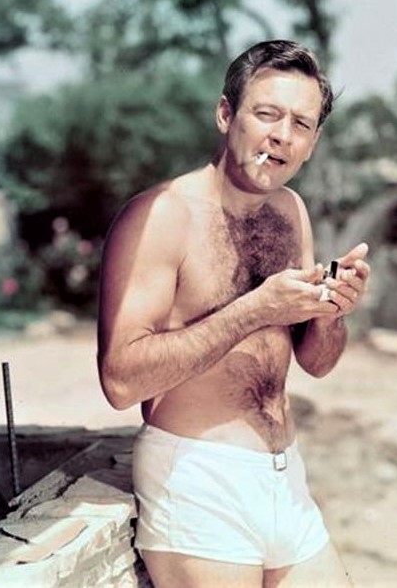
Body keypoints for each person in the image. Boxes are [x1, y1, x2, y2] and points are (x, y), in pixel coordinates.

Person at [97, 39, 370, 588]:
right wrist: (253, 311)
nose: (282, 135)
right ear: (226, 114)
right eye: (266, 114)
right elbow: (120, 381)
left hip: (285, 478)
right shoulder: (161, 215)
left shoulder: (291, 210)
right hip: (197, 479)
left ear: (313, 142)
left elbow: (316, 363)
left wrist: (332, 312)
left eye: (300, 123)